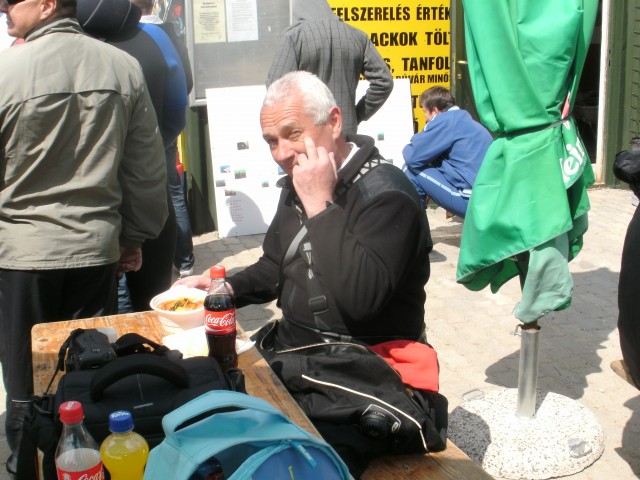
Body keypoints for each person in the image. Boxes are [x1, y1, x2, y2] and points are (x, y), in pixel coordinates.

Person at [177, 71, 432, 475]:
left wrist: (319, 205)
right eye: (271, 141)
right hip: (297, 354)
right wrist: (223, 286)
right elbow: (275, 266)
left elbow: (360, 301)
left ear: (334, 122)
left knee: (292, 463)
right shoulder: (301, 181)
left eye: (292, 134)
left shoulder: (388, 194)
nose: (281, 152)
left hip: (362, 372)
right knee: (195, 403)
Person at [0, 0, 167, 475]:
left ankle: (28, 464)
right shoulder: (123, 67)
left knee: (24, 383)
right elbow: (145, 169)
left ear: (48, 4)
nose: (4, 6)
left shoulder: (5, 72)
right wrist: (134, 237)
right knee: (87, 371)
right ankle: (86, 461)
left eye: (13, 0)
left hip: (21, 256)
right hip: (96, 251)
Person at [78, 0, 190, 311]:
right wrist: (153, 149)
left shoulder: (66, 45)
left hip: (88, 199)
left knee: (94, 314)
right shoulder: (156, 37)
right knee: (153, 305)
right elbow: (177, 108)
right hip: (149, 188)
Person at [129, 0, 196, 278]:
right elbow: (186, 83)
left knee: (158, 193)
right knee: (173, 192)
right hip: (164, 131)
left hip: (143, 136)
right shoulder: (170, 32)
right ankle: (185, 261)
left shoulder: (133, 36)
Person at [267, 0, 393, 138]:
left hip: (308, 134)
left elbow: (276, 88)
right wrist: (356, 114)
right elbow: (384, 82)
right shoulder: (357, 36)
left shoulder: (294, 38)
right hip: (345, 131)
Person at [402, 86, 493, 218]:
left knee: (409, 169)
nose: (425, 117)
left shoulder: (445, 121)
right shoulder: (466, 120)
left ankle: (417, 227)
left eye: (425, 112)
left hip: (471, 201)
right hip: (490, 198)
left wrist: (407, 147)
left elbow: (413, 156)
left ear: (435, 111)